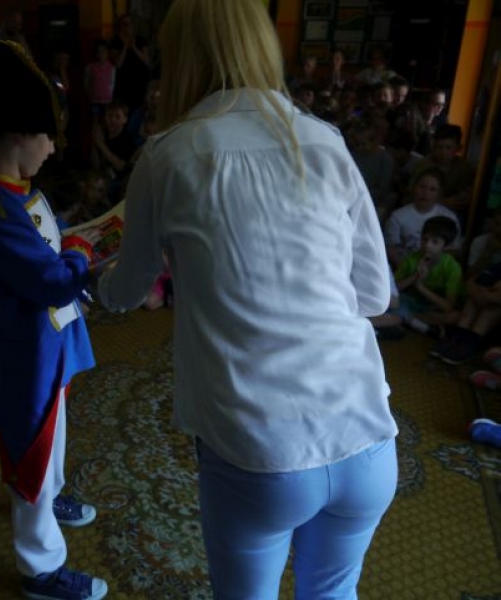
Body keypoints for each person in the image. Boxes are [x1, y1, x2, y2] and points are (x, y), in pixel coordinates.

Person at [94, 1, 398, 598]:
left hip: (259, 450)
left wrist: (98, 275)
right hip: (366, 437)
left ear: (182, 59)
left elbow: (126, 292)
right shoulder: (325, 140)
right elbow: (373, 294)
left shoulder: (168, 154)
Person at [0, 40, 107, 600]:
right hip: (27, 358)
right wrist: (81, 250)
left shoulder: (15, 194)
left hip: (46, 347)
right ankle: (40, 569)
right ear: (18, 134)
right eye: (47, 136)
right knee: (34, 452)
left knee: (50, 443)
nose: (52, 148)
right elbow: (48, 278)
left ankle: (48, 500)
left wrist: (73, 246)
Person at [393, 216, 462, 338]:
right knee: (393, 303)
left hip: (434, 308)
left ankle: (410, 320)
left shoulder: (452, 267)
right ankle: (421, 324)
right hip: (412, 302)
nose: (427, 245)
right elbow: (392, 290)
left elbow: (448, 306)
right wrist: (415, 276)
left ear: (446, 246)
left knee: (455, 316)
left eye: (435, 242)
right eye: (425, 239)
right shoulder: (411, 259)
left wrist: (420, 286)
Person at [384, 167, 461, 268]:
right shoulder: (397, 217)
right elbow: (391, 248)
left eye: (432, 189)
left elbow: (454, 249)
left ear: (439, 194)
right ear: (414, 188)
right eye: (422, 187)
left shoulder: (450, 217)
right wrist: (408, 269)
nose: (425, 193)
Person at [84, 39, 116, 118]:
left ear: (107, 52)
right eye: (98, 51)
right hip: (94, 100)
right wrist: (90, 94)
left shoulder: (112, 67)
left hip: (107, 101)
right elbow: (86, 83)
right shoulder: (90, 67)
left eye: (103, 51)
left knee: (106, 120)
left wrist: (109, 96)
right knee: (95, 120)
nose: (101, 54)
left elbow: (112, 84)